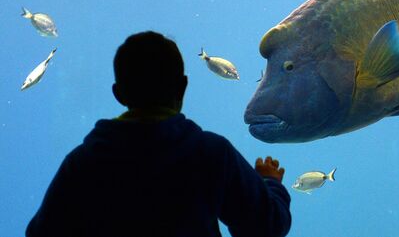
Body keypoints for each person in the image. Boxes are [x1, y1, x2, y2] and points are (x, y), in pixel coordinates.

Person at [26, 31, 291, 237]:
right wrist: (271, 185)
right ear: (183, 87)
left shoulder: (83, 163)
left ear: (118, 94)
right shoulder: (211, 153)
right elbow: (265, 227)